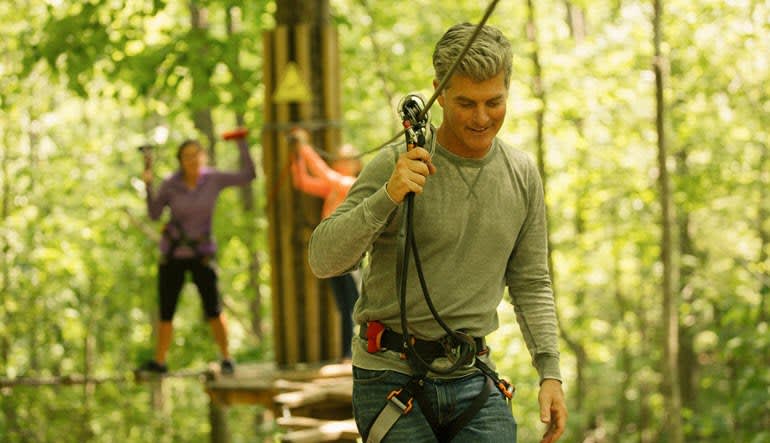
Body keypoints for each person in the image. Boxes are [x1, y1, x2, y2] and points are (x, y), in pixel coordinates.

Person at [308, 23, 567, 442]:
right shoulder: (398, 164)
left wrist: (550, 373)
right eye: (466, 103)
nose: (482, 118)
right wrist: (388, 196)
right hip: (390, 376)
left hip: (472, 377)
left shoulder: (520, 175)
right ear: (439, 93)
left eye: (494, 102)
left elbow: (532, 282)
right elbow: (323, 259)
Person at [140, 131, 256, 375]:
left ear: (203, 157)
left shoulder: (212, 179)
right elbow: (153, 213)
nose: (192, 160)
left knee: (213, 308)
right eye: (186, 156)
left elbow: (248, 175)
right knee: (166, 310)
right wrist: (148, 184)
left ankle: (226, 357)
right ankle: (160, 361)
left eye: (196, 155)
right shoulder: (171, 184)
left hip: (202, 254)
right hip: (174, 254)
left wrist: (242, 143)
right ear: (180, 160)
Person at [289, 127, 362, 360]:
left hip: (350, 255)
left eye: (345, 160)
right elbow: (302, 181)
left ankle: (355, 354)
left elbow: (324, 174)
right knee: (343, 306)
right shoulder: (333, 188)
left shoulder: (352, 184)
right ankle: (346, 355)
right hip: (332, 253)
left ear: (355, 165)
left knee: (354, 305)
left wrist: (305, 147)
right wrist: (296, 155)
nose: (340, 163)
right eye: (338, 159)